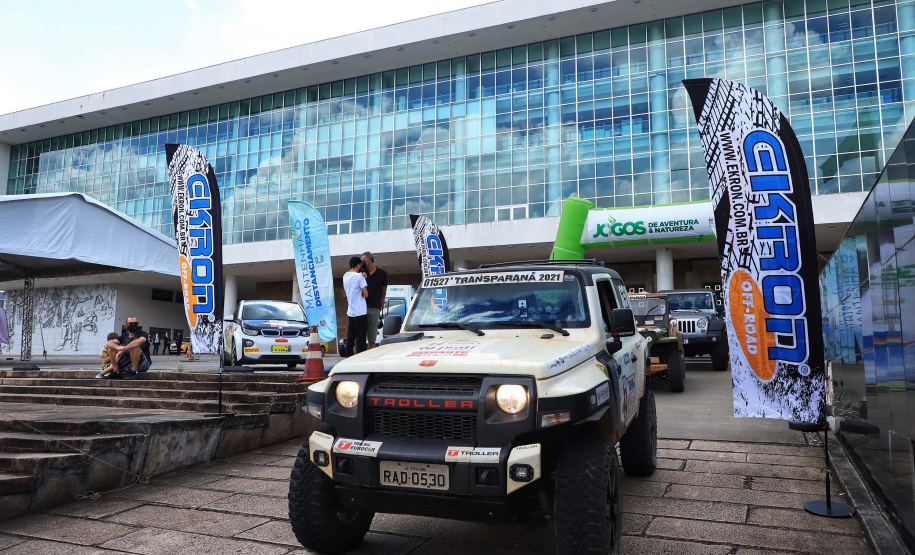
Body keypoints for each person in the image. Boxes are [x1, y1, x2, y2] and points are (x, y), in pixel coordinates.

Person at [361, 251, 388, 349]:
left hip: (374, 307)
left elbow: (384, 288)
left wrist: (382, 299)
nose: (361, 263)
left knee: (372, 339)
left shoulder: (382, 273)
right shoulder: (360, 274)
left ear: (368, 261)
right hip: (361, 308)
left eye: (362, 261)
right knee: (359, 338)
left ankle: (369, 360)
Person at [343, 256, 369, 355]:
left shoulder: (345, 276)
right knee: (360, 338)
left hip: (351, 311)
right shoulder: (360, 277)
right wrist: (362, 277)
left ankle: (348, 356)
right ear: (358, 265)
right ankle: (360, 357)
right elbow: (366, 294)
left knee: (350, 336)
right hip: (360, 311)